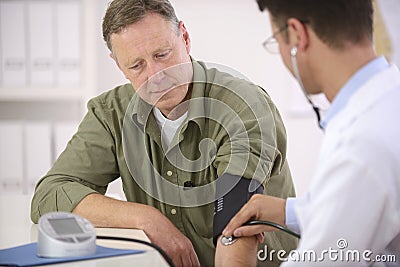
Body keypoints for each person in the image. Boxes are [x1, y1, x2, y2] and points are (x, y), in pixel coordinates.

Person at [30, 0, 298, 266]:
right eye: (137, 65)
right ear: (119, 66)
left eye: (162, 54)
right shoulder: (110, 113)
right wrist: (144, 218)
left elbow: (237, 226)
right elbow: (51, 193)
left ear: (185, 37)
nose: (156, 75)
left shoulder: (243, 105)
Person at [222, 0, 400, 266]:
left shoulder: (360, 146)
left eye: (276, 41)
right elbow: (363, 208)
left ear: (297, 35)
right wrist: (290, 211)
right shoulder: (389, 96)